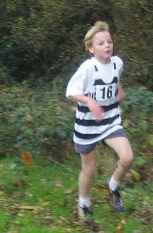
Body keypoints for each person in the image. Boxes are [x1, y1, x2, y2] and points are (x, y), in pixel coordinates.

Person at [66, 21, 133, 220]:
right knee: (90, 168)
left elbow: (115, 79)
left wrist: (119, 91)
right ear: (91, 48)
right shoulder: (87, 69)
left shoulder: (117, 63)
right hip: (87, 125)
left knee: (127, 158)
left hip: (110, 120)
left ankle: (112, 185)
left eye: (109, 42)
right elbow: (70, 92)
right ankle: (84, 202)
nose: (107, 45)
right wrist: (89, 101)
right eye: (101, 43)